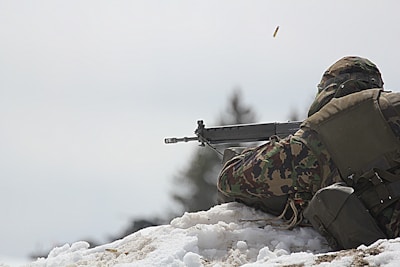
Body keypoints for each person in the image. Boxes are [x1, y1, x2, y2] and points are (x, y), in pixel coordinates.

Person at [217, 56, 400, 250]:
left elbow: (231, 179)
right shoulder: (394, 107)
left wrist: (287, 143)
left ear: (329, 90)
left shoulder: (314, 137)